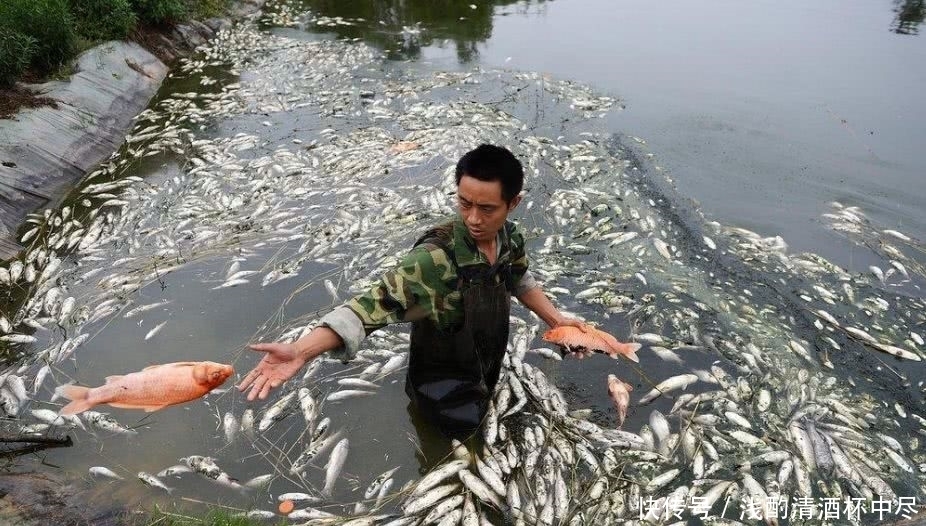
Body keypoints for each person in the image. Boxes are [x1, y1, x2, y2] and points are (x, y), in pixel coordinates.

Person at [238, 144, 587, 437]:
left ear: (513, 204)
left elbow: (519, 280)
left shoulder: (510, 237)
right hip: (441, 389)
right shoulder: (433, 259)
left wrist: (557, 321)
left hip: (485, 364)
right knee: (449, 444)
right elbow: (366, 309)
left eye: (487, 208)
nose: (473, 219)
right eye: (464, 203)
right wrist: (302, 350)